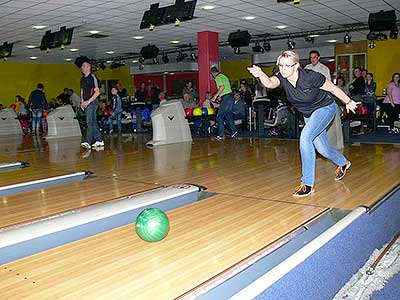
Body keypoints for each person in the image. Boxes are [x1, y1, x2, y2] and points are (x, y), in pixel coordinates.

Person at [248, 50, 359, 197]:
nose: (283, 69)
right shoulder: (283, 77)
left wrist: (348, 101)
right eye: (281, 65)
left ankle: (307, 184)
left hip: (325, 108)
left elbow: (332, 87)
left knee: (305, 137)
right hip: (309, 114)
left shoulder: (310, 77)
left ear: (296, 66)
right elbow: (270, 83)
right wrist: (261, 74)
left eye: (287, 65)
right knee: (323, 149)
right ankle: (343, 163)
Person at [305, 49, 343, 151]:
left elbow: (328, 85)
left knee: (321, 124)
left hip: (321, 99)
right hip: (310, 100)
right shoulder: (307, 68)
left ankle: (324, 147)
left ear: (318, 58)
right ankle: (314, 147)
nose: (312, 59)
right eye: (311, 57)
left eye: (314, 57)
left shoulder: (324, 69)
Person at [76, 56, 104, 150]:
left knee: (89, 122)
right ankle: (99, 140)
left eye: (86, 66)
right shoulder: (82, 79)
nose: (84, 68)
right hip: (86, 103)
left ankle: (88, 141)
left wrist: (88, 101)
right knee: (93, 122)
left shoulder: (93, 77)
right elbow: (82, 91)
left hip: (93, 102)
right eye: (83, 66)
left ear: (89, 67)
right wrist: (82, 102)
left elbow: (97, 92)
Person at [210, 66, 238, 140]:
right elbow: (226, 88)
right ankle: (234, 132)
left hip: (226, 99)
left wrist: (215, 97)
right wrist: (220, 96)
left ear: (213, 73)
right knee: (228, 116)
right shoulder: (224, 76)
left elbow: (222, 87)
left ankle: (221, 135)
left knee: (219, 117)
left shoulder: (217, 78)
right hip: (230, 97)